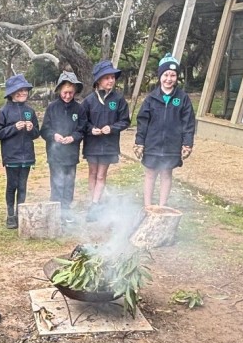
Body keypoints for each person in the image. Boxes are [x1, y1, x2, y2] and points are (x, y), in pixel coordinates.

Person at [134, 55, 195, 208]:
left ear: (177, 77)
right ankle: (148, 206)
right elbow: (142, 122)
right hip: (152, 144)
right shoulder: (151, 99)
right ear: (160, 76)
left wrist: (187, 143)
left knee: (166, 174)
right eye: (166, 75)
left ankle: (162, 206)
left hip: (172, 145)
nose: (169, 79)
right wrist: (139, 142)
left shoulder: (182, 98)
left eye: (173, 75)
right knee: (150, 174)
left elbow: (188, 123)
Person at [80, 60, 130, 218]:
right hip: (93, 143)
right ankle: (93, 200)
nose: (111, 80)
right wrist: (90, 129)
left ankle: (95, 204)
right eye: (107, 77)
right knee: (92, 173)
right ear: (98, 80)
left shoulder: (118, 99)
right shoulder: (88, 100)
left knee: (101, 175)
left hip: (109, 144)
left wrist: (112, 128)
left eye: (113, 77)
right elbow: (82, 121)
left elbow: (125, 120)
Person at [0, 74, 40, 229]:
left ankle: (21, 212)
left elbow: (36, 134)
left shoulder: (30, 111)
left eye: (25, 90)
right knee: (12, 185)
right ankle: (10, 214)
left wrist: (32, 129)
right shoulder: (4, 111)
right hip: (11, 156)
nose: (22, 93)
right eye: (18, 90)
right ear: (11, 93)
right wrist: (14, 128)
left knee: (22, 185)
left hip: (27, 155)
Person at [43, 71, 87, 224]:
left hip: (71, 154)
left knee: (69, 183)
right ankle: (56, 212)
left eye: (71, 93)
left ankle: (67, 211)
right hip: (55, 155)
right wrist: (54, 135)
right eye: (65, 92)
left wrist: (73, 137)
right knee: (57, 183)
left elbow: (82, 129)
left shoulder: (79, 109)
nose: (68, 96)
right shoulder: (52, 108)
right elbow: (44, 129)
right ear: (59, 91)